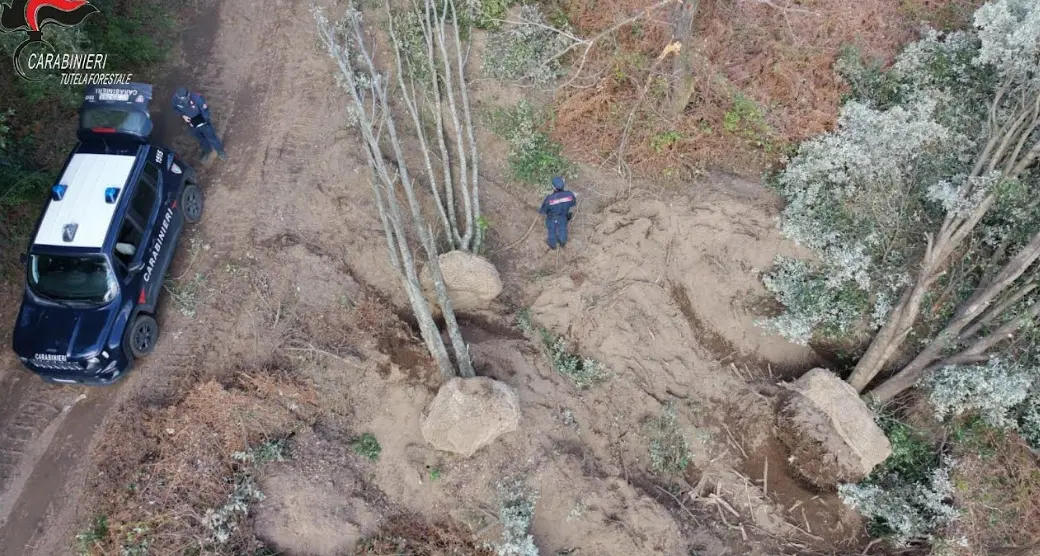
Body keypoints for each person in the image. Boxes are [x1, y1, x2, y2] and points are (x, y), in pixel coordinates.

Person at [172, 86, 227, 161]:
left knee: (211, 137)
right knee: (200, 139)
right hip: (191, 124)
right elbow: (176, 109)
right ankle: (207, 150)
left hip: (203, 122)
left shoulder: (197, 98)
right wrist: (183, 116)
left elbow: (205, 112)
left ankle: (220, 151)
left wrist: (202, 122)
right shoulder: (175, 99)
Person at [538, 176, 576, 250]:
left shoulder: (549, 198)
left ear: (554, 187)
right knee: (563, 229)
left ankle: (552, 245)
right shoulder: (570, 194)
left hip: (552, 218)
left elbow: (543, 211)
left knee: (552, 230)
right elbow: (573, 203)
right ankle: (562, 242)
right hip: (564, 216)